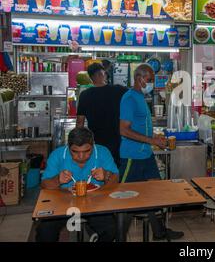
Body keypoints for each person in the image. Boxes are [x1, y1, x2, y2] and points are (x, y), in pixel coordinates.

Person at [119, 63, 184, 241]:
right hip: (132, 157)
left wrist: (157, 139)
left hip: (146, 155)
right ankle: (117, 235)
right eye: (150, 80)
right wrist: (152, 140)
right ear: (139, 79)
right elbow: (124, 130)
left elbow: (143, 127)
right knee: (127, 199)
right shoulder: (129, 98)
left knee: (155, 193)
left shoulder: (141, 98)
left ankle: (159, 231)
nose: (152, 84)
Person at [36, 127, 119, 242]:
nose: (81, 157)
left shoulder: (102, 152)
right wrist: (57, 180)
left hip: (95, 204)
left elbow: (116, 180)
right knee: (45, 231)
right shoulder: (57, 155)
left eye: (87, 151)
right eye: (75, 152)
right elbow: (44, 184)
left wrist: (106, 175)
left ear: (93, 145)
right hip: (63, 204)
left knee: (111, 229)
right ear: (68, 147)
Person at [76, 63, 128, 166]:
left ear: (91, 78)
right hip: (117, 142)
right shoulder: (118, 90)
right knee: (115, 172)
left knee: (98, 171)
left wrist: (78, 144)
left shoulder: (85, 95)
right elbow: (133, 99)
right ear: (102, 74)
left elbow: (79, 123)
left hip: (96, 143)